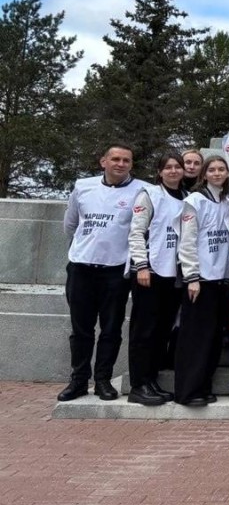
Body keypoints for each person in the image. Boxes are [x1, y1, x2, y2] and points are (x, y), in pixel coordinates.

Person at [57, 144, 147, 402]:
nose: (120, 164)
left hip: (116, 270)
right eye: (115, 159)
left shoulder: (142, 190)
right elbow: (71, 224)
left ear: (131, 164)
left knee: (111, 329)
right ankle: (78, 380)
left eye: (126, 160)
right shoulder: (83, 186)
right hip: (82, 267)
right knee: (81, 329)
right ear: (103, 162)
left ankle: (103, 380)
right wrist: (83, 250)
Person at [175, 155, 229, 407]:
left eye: (221, 169)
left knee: (213, 338)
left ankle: (204, 385)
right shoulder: (194, 202)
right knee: (195, 338)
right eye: (211, 169)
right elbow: (187, 242)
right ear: (204, 174)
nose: (216, 173)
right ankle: (187, 391)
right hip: (200, 279)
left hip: (222, 279)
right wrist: (191, 276)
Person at [125, 152, 186, 406]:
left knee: (162, 329)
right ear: (160, 172)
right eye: (168, 167)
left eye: (177, 167)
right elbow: (137, 231)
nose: (173, 171)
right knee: (143, 330)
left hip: (172, 273)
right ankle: (138, 385)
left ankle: (151, 380)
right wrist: (141, 265)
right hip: (149, 272)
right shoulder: (149, 195)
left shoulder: (185, 198)